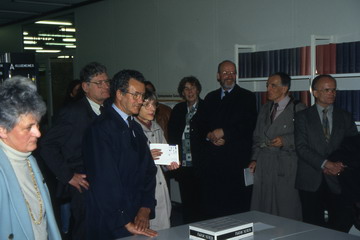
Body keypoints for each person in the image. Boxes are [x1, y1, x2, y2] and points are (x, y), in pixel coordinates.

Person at [83, 69, 158, 239]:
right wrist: (124, 222)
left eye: (142, 95)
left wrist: (145, 208)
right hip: (111, 221)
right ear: (119, 94)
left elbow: (148, 171)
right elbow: (105, 182)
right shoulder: (100, 129)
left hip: (136, 217)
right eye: (136, 95)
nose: (140, 101)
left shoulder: (135, 127)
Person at [39, 62, 110, 239]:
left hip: (107, 184)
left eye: (107, 82)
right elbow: (47, 145)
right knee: (85, 231)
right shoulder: (73, 113)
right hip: (84, 185)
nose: (105, 86)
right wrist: (68, 175)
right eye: (99, 83)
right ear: (85, 87)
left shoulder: (109, 111)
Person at [295, 74, 358, 232]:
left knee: (339, 226)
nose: (332, 93)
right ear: (315, 92)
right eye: (327, 90)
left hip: (339, 179)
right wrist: (326, 163)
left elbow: (354, 146)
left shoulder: (345, 116)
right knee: (312, 227)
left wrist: (338, 165)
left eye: (334, 90)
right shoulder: (302, 117)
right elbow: (301, 147)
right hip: (310, 180)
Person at [0, 76, 61, 240]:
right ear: (2, 130)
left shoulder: (31, 160)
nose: (38, 133)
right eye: (28, 127)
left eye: (37, 124)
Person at [199, 60, 257, 219]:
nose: (229, 76)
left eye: (232, 72)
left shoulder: (247, 97)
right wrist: (210, 135)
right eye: (225, 73)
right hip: (213, 163)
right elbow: (200, 124)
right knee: (214, 210)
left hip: (235, 162)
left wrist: (225, 133)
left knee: (236, 211)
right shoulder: (210, 98)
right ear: (218, 76)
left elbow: (249, 125)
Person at [249, 72, 306, 220]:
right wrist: (254, 159)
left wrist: (285, 140)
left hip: (286, 165)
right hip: (264, 163)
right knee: (263, 206)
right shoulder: (264, 108)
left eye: (273, 85)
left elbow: (305, 138)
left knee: (285, 205)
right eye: (267, 85)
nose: (268, 88)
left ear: (285, 88)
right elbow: (256, 137)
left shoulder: (298, 109)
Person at [135, 89, 179, 230]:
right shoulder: (131, 129)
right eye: (147, 105)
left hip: (159, 185)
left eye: (154, 104)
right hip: (142, 189)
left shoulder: (156, 127)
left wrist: (169, 164)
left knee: (164, 227)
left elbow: (164, 157)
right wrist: (147, 157)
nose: (152, 108)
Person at [168, 76, 205, 223]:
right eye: (186, 88)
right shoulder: (178, 109)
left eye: (193, 87)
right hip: (183, 164)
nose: (190, 91)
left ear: (198, 89)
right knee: (187, 201)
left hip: (201, 164)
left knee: (202, 202)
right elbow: (172, 136)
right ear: (182, 92)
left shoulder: (206, 107)